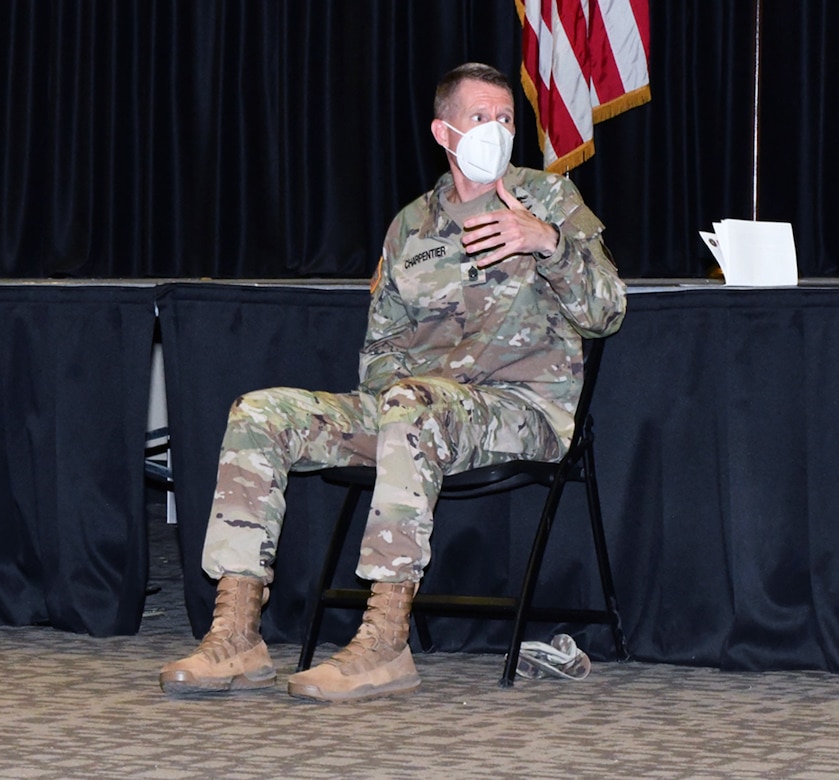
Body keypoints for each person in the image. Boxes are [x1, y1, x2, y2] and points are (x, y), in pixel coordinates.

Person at [160, 62, 626, 702]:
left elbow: (608, 311)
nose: (497, 130)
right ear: (443, 132)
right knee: (259, 413)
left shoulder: (549, 201)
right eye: (479, 118)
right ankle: (237, 628)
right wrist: (389, 404)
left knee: (411, 404)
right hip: (415, 413)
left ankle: (385, 637)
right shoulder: (411, 225)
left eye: (507, 119)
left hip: (524, 410)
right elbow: (379, 350)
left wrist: (548, 244)